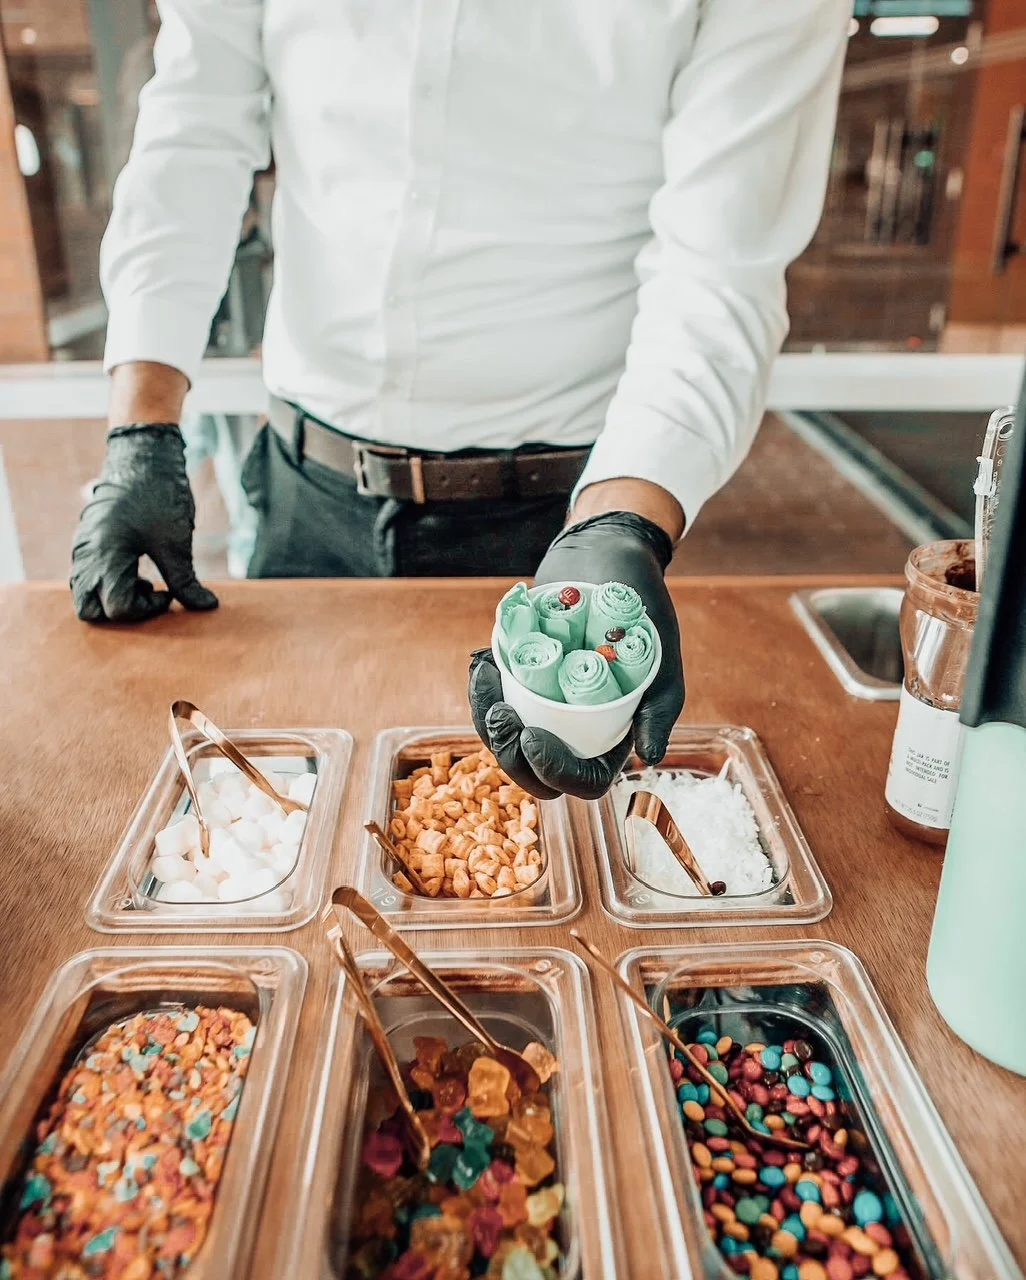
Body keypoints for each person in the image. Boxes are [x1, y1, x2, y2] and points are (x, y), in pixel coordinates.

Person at [70, 0, 850, 799]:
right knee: (264, 813)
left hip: (553, 531)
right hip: (306, 499)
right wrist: (142, 429)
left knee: (514, 843)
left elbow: (720, 268)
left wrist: (624, 522)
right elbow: (193, 135)